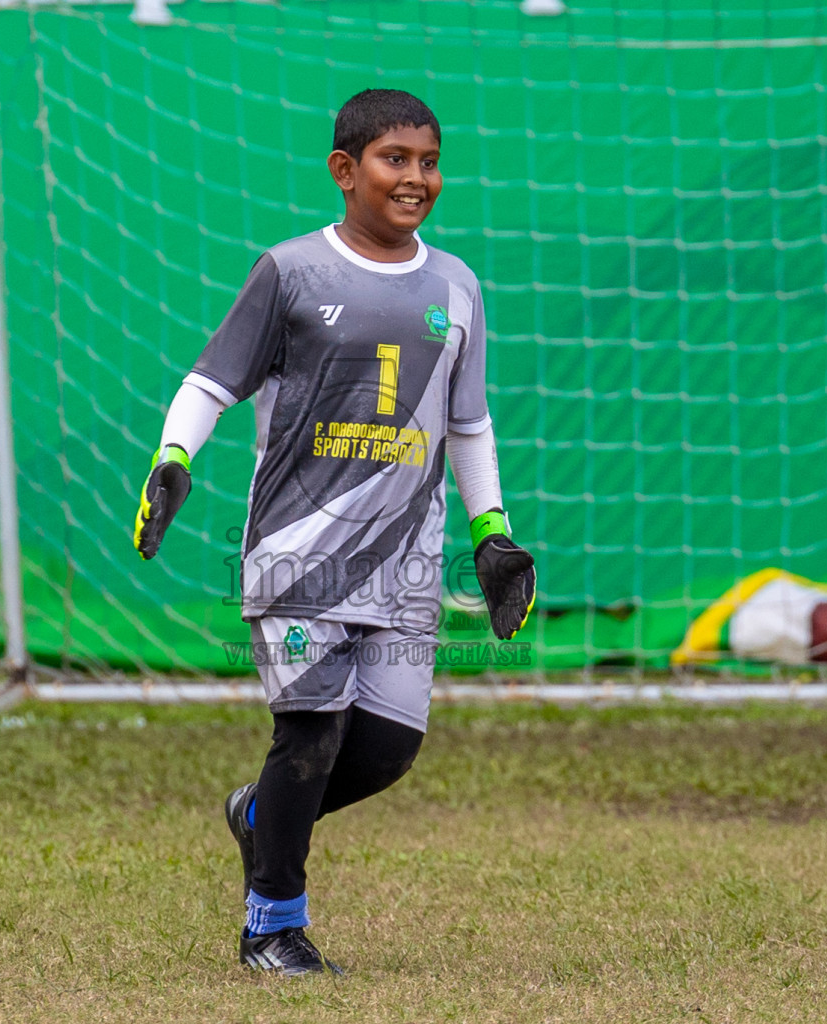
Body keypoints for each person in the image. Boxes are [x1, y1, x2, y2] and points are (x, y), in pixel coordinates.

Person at [132, 88, 536, 976]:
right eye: (396, 160)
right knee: (309, 734)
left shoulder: (457, 285)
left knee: (386, 751)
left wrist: (492, 532)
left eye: (430, 162)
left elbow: (468, 425)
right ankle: (272, 927)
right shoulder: (291, 272)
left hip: (406, 563)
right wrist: (173, 460)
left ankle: (257, 816)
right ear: (345, 171)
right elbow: (212, 383)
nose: (416, 179)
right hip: (297, 555)